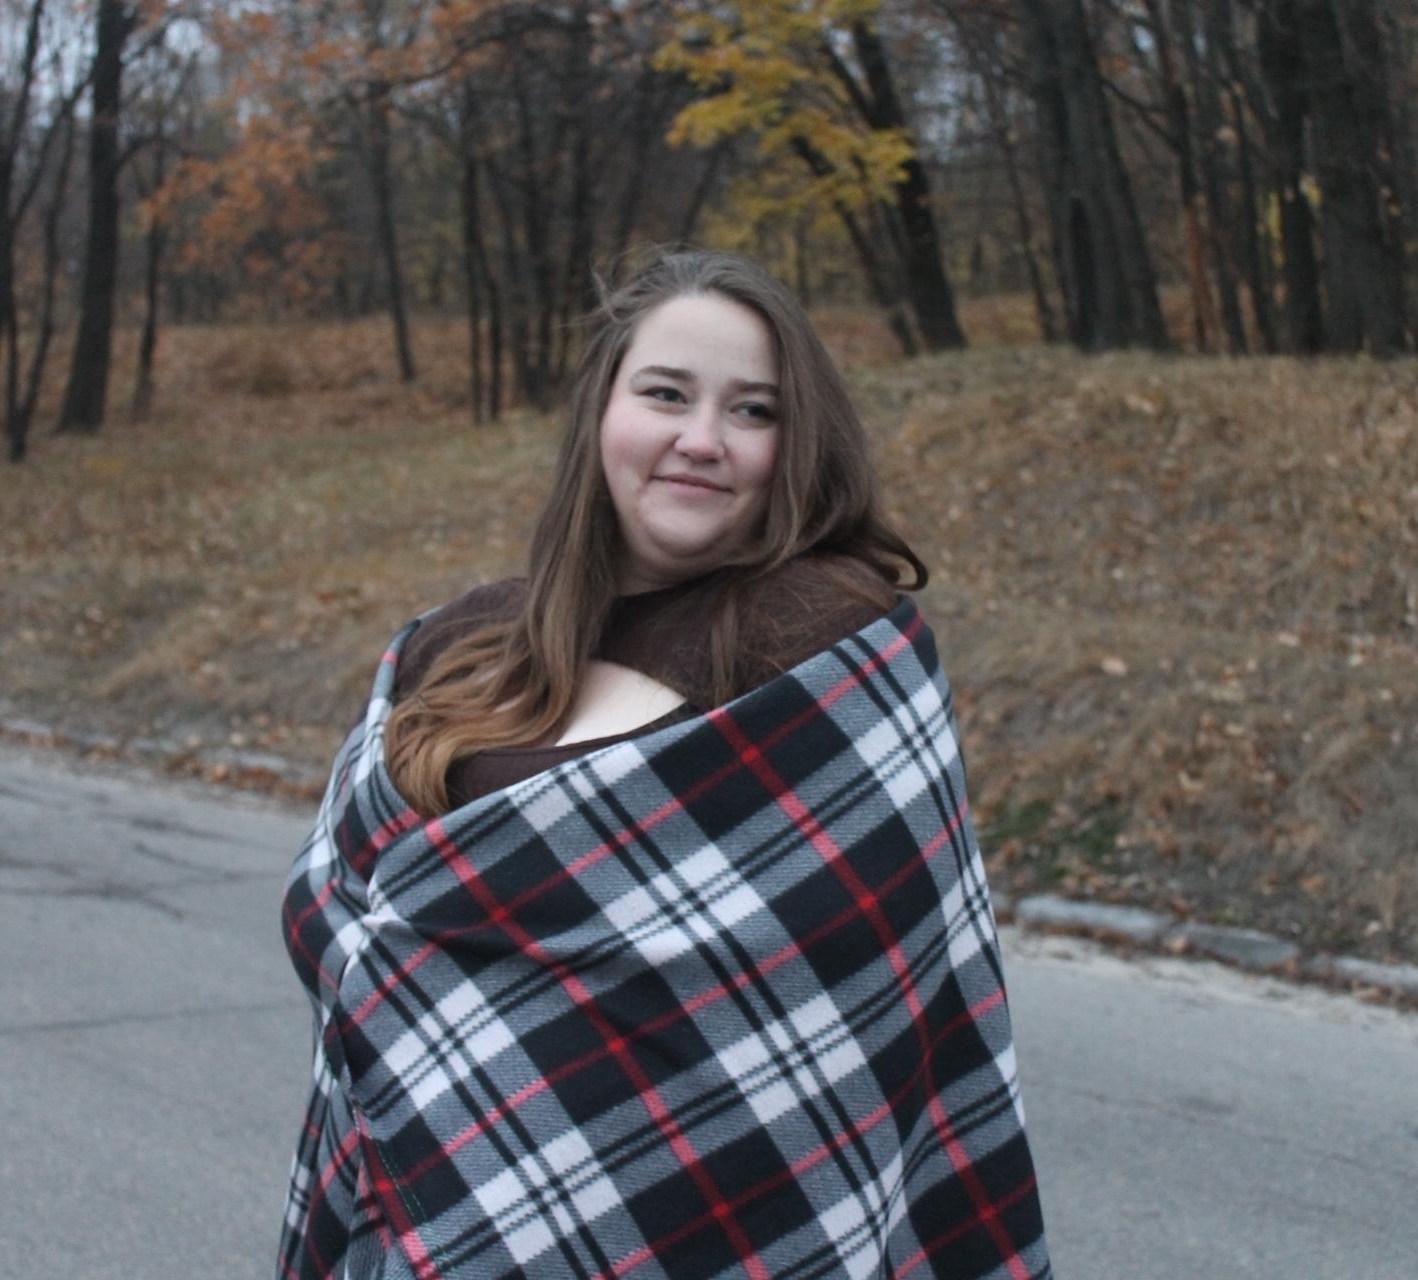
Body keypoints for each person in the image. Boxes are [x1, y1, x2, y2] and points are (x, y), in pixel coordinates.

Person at [279, 249, 1049, 1280]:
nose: (701, 439)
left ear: (798, 444)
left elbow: (858, 1017)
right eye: (666, 394)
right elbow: (360, 927)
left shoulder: (830, 655)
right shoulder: (460, 645)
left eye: (753, 410)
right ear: (602, 411)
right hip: (419, 1222)